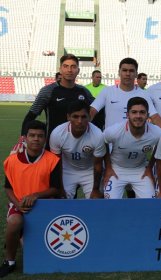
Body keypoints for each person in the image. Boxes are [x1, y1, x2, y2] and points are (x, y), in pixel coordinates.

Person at [1, 120, 63, 277]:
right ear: (25, 138)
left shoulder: (53, 160)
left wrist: (35, 196)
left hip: (44, 205)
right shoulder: (12, 160)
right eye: (32, 135)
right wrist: (18, 204)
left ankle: (22, 238)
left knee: (36, 255)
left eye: (40, 136)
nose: (36, 139)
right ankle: (9, 261)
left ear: (45, 138)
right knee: (15, 222)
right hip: (20, 204)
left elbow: (56, 188)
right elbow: (8, 188)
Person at [19, 54, 94, 148]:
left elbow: (97, 111)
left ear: (78, 70)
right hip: (53, 145)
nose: (69, 70)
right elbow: (30, 116)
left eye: (73, 67)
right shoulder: (48, 91)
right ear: (60, 69)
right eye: (66, 66)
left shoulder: (84, 91)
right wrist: (22, 138)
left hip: (78, 146)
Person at [103, 97, 161, 199]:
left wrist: (150, 167)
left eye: (142, 112)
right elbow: (103, 142)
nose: (138, 116)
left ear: (147, 115)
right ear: (127, 115)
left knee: (150, 202)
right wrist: (108, 167)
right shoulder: (114, 131)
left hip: (140, 170)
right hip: (117, 169)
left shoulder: (157, 133)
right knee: (110, 202)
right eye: (134, 112)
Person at [49, 101, 106, 199]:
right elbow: (56, 164)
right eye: (75, 116)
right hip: (67, 170)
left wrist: (95, 189)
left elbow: (97, 166)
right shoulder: (57, 133)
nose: (79, 121)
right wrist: (60, 187)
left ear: (89, 117)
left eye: (83, 117)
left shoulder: (97, 135)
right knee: (61, 200)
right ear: (68, 117)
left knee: (97, 201)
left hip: (90, 171)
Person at [90, 57, 161, 129]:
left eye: (131, 71)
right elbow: (92, 111)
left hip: (136, 141)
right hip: (112, 141)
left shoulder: (144, 94)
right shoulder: (107, 91)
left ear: (136, 74)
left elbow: (154, 117)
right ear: (119, 72)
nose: (128, 74)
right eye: (124, 70)